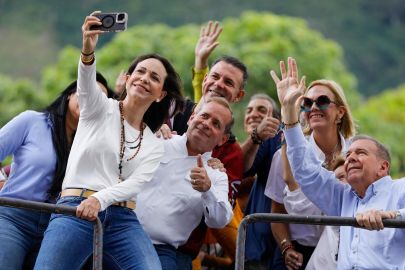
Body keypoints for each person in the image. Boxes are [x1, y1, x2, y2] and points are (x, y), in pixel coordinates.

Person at [275, 57, 405, 269]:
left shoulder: (404, 188)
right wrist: (289, 113)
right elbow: (305, 172)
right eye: (349, 154)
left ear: (383, 167)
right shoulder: (342, 198)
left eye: (361, 153)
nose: (351, 157)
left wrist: (395, 216)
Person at [34, 12, 184, 270]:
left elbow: (135, 184)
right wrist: (88, 49)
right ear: (127, 79)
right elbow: (86, 83)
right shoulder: (98, 107)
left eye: (154, 78)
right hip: (76, 207)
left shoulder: (153, 142)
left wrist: (100, 200)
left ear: (161, 95)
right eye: (140, 71)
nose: (145, 79)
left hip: (124, 219)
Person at [0, 73, 114, 269]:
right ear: (70, 94)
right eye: (85, 92)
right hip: (13, 218)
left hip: (60, 224)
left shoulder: (96, 144)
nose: (89, 99)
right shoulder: (32, 121)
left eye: (98, 98)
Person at [266, 68, 356, 269]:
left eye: (322, 101)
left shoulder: (356, 154)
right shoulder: (284, 156)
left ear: (340, 112)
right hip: (298, 252)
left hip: (346, 251)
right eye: (307, 103)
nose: (314, 107)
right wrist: (286, 248)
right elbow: (276, 213)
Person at [136, 97, 234, 270]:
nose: (206, 124)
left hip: (162, 250)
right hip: (120, 233)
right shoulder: (159, 140)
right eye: (204, 116)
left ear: (223, 140)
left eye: (216, 124)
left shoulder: (216, 175)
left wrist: (207, 190)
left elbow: (220, 220)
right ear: (191, 118)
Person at [241, 94, 283, 270]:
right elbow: (240, 169)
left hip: (269, 246)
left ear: (277, 120)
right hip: (256, 246)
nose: (253, 114)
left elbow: (242, 168)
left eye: (262, 110)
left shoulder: (276, 137)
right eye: (249, 110)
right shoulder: (239, 146)